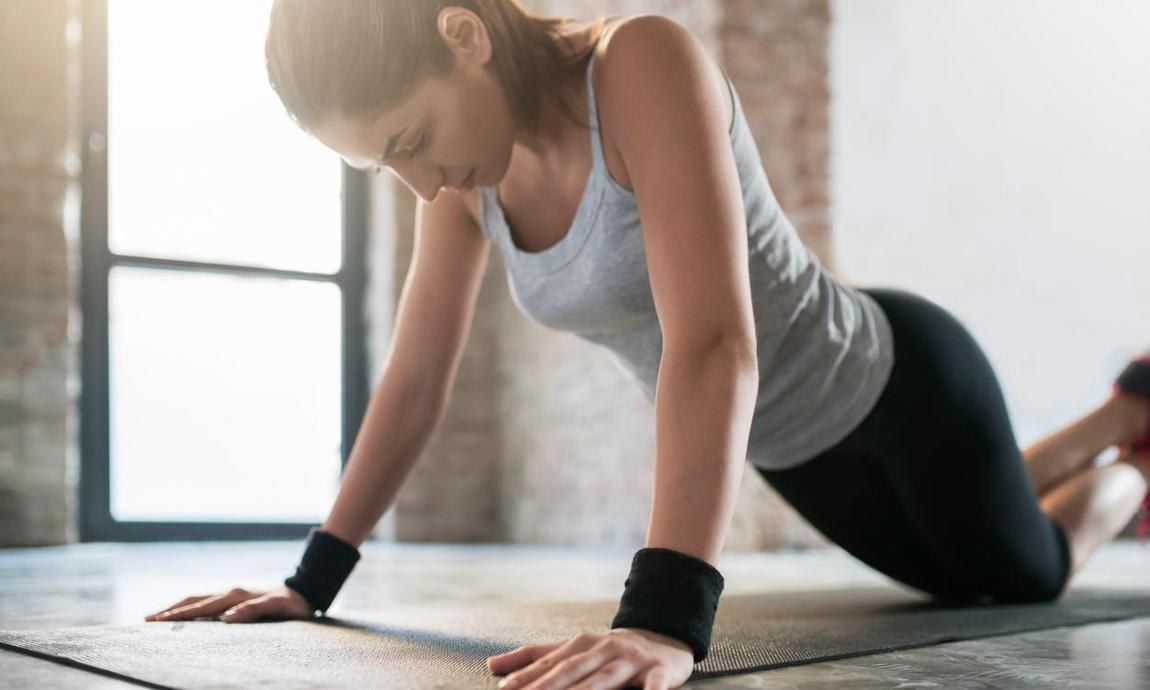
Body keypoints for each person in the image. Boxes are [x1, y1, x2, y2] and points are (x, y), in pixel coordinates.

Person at [144, 2, 1150, 689]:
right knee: (950, 573)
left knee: (1023, 574)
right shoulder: (462, 187)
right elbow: (412, 386)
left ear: (463, 37)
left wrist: (665, 617)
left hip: (901, 387)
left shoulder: (638, 65)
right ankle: (1115, 427)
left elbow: (711, 342)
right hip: (789, 446)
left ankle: (1127, 454)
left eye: (406, 142)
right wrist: (309, 582)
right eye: (384, 167)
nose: (417, 184)